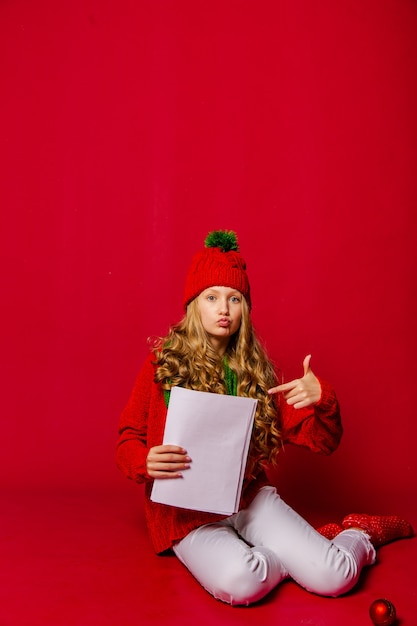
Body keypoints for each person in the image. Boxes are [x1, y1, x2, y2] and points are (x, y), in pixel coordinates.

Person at [116, 230, 413, 606]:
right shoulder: (162, 365)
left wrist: (323, 400)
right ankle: (296, 556)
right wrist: (144, 460)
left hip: (248, 498)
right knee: (240, 583)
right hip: (187, 515)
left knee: (336, 577)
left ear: (245, 309)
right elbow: (127, 438)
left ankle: (358, 534)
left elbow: (323, 443)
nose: (223, 309)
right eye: (212, 297)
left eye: (234, 299)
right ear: (194, 305)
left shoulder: (257, 373)